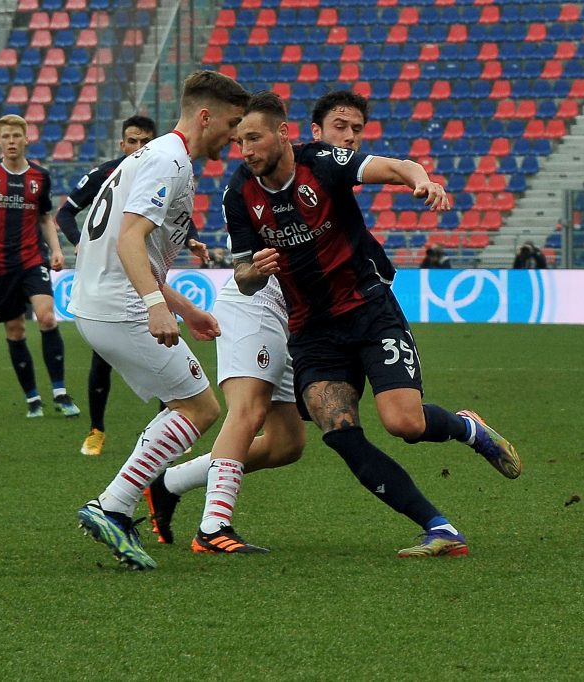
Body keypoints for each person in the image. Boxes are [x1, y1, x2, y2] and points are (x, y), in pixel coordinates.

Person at [224, 92, 522, 558]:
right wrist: (254, 272)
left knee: (404, 423)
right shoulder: (239, 192)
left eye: (254, 138)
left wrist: (423, 182)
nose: (245, 150)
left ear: (283, 133)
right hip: (311, 328)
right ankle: (439, 528)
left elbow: (397, 167)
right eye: (240, 141)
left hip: (367, 309)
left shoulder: (322, 163)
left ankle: (468, 428)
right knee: (340, 432)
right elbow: (242, 276)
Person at [143, 89, 372, 554]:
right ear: (310, 133)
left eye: (356, 130)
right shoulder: (259, 177)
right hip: (257, 302)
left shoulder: (329, 176)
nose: (348, 137)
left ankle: (169, 483)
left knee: (287, 444)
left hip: (296, 317)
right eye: (339, 128)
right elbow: (246, 269)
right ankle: (213, 528)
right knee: (246, 412)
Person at [70, 70, 250, 570]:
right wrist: (154, 305)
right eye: (232, 124)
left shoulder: (157, 156)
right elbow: (129, 241)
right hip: (120, 306)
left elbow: (131, 248)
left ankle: (116, 506)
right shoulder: (169, 160)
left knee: (187, 403)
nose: (234, 136)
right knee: (200, 408)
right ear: (205, 116)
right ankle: (113, 506)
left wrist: (184, 308)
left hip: (104, 300)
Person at [55, 115, 208, 457]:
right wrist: (81, 244)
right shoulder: (111, 172)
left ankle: (164, 434)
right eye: (133, 141)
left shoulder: (157, 167)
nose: (138, 146)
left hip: (137, 279)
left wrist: (192, 240)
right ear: (122, 143)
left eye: (144, 141)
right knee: (109, 363)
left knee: (170, 362)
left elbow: (174, 214)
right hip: (115, 285)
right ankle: (97, 430)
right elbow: (65, 214)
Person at [0, 113, 80, 419]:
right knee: (15, 330)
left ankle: (60, 392)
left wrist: (56, 249)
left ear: (26, 139)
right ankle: (33, 399)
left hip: (32, 258)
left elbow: (45, 218)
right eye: (6, 137)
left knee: (47, 317)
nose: (12, 141)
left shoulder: (40, 177)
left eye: (17, 136)